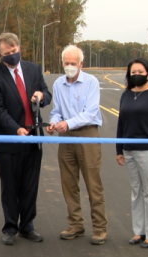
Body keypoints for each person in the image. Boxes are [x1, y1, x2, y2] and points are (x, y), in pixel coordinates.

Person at [0, 32, 52, 245]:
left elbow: (46, 94)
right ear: (0, 55)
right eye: (7, 53)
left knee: (30, 185)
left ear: (19, 48)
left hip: (33, 137)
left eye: (15, 51)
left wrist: (41, 97)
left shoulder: (33, 69)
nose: (12, 55)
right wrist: (16, 130)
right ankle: (10, 227)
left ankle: (27, 226)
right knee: (10, 185)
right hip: (8, 139)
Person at [46, 45, 108, 245]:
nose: (70, 66)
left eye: (74, 63)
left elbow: (90, 112)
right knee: (68, 183)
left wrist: (67, 123)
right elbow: (57, 110)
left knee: (93, 183)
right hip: (66, 136)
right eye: (67, 63)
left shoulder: (91, 82)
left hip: (87, 133)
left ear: (81, 64)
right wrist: (54, 122)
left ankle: (99, 228)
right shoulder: (58, 84)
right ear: (62, 63)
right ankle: (75, 224)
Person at [115, 58, 148, 248]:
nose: (136, 75)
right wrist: (119, 149)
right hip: (128, 150)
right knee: (136, 191)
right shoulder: (126, 95)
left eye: (140, 72)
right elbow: (121, 122)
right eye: (133, 72)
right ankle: (139, 231)